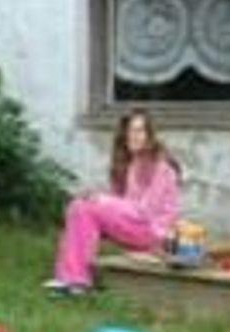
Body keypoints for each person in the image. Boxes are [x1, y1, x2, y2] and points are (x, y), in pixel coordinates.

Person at [44, 109, 181, 297]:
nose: (133, 136)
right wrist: (99, 201)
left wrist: (102, 200)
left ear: (150, 135)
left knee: (90, 203)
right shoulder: (129, 163)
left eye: (140, 131)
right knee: (80, 206)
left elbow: (146, 212)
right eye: (129, 131)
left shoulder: (161, 166)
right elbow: (121, 204)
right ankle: (73, 280)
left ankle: (76, 278)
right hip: (134, 225)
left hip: (154, 232)